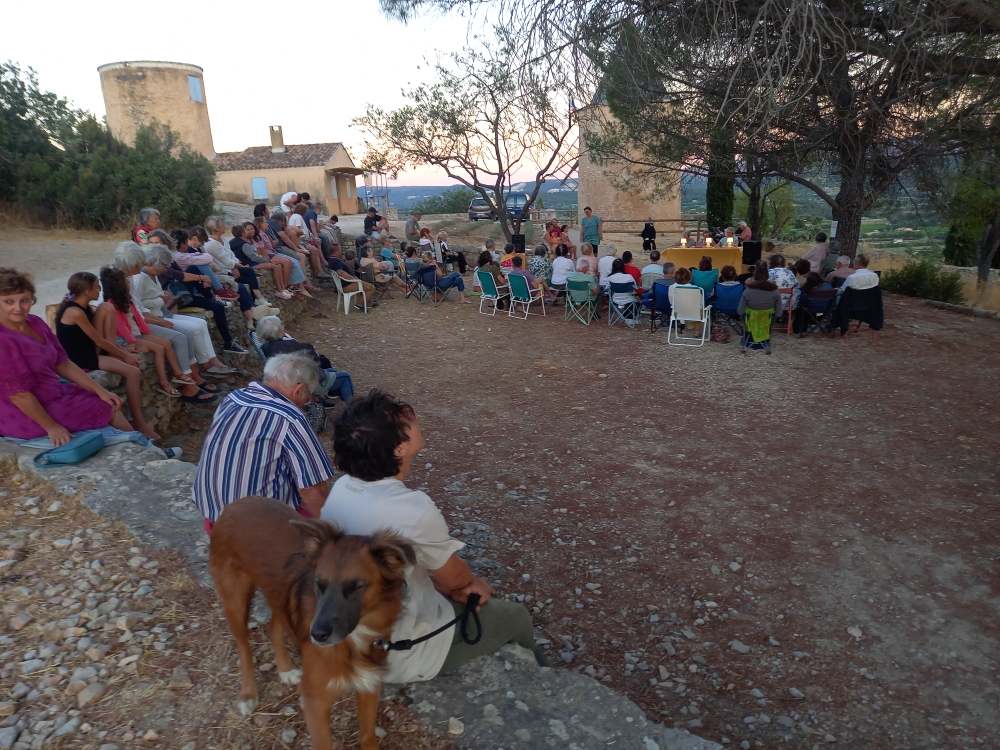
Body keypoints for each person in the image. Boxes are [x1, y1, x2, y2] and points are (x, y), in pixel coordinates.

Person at [322, 391, 548, 682]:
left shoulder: (342, 487)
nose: (416, 418)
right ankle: (545, 682)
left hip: (351, 634)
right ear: (399, 449)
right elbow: (456, 579)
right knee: (516, 617)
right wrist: (468, 584)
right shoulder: (412, 510)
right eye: (408, 420)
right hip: (403, 651)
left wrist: (447, 585)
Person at [192, 353, 334, 534]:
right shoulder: (290, 418)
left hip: (214, 521)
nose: (305, 403)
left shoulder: (233, 398)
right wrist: (333, 535)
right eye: (307, 397)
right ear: (299, 389)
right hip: (257, 533)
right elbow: (311, 489)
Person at [0, 268, 133, 443]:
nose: (17, 308)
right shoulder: (3, 340)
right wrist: (51, 426)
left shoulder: (35, 323)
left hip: (53, 394)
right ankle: (144, 446)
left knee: (107, 400)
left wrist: (101, 391)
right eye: (8, 302)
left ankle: (143, 444)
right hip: (26, 414)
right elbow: (18, 394)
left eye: (24, 300)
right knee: (108, 409)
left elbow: (63, 363)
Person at [55, 272, 159, 440]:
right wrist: (126, 356)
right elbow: (99, 341)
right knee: (133, 372)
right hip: (80, 358)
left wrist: (124, 352)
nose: (100, 290)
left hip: (89, 350)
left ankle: (115, 353)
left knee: (106, 307)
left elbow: (101, 339)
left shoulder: (85, 307)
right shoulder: (75, 312)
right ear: (87, 292)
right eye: (97, 287)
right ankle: (139, 423)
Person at [133, 244, 237, 390]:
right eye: (165, 265)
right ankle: (197, 373)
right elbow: (139, 306)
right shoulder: (140, 278)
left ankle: (209, 361)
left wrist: (162, 297)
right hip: (155, 317)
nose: (166, 269)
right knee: (189, 331)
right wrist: (160, 300)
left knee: (201, 323)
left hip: (162, 313)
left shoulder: (153, 275)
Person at [96, 266, 201, 401]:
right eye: (125, 281)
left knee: (166, 343)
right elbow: (122, 328)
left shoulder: (127, 301)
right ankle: (163, 382)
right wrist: (135, 343)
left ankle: (178, 373)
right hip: (125, 340)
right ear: (118, 285)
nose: (128, 284)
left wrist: (149, 333)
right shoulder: (112, 306)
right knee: (158, 348)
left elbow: (139, 319)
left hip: (135, 335)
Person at [146, 234, 248, 355]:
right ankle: (212, 296)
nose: (154, 246)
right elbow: (178, 275)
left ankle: (228, 343)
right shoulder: (155, 264)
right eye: (151, 243)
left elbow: (181, 273)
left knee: (218, 307)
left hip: (181, 294)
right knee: (193, 269)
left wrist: (200, 278)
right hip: (172, 299)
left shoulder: (168, 260)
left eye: (157, 243)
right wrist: (202, 277)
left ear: (165, 243)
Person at [255, 316, 354, 403]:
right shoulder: (289, 345)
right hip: (305, 382)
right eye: (281, 324)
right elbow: (314, 360)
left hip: (288, 381)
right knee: (345, 377)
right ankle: (353, 410)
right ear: (278, 329)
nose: (283, 325)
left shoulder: (266, 347)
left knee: (331, 371)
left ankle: (324, 400)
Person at [237, 223, 294, 299]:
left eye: (252, 228)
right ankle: (279, 291)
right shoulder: (245, 242)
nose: (251, 231)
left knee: (278, 265)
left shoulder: (253, 239)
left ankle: (283, 289)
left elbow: (258, 253)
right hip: (251, 263)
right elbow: (253, 257)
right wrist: (268, 261)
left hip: (258, 260)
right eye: (248, 229)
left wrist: (267, 260)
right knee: (275, 266)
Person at [328, 244, 378, 312]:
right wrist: (353, 278)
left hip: (343, 284)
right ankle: (360, 304)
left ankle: (369, 303)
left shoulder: (331, 260)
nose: (342, 250)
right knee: (371, 287)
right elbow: (341, 273)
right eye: (340, 249)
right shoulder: (336, 261)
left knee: (366, 286)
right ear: (337, 251)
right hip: (347, 285)